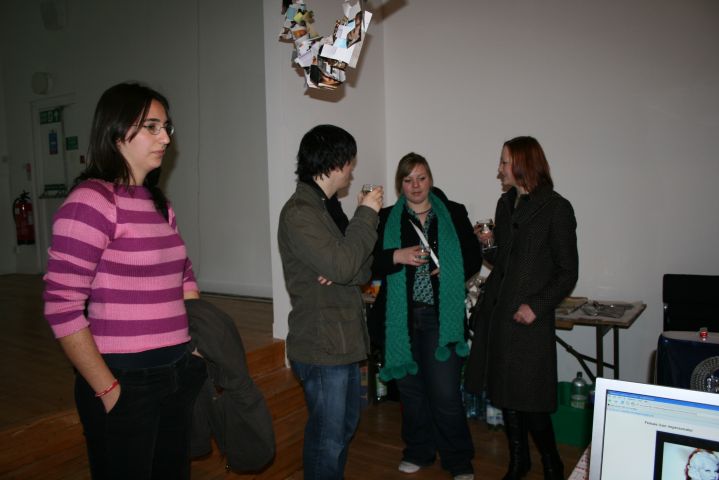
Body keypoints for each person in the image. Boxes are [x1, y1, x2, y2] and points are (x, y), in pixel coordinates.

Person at [43, 83, 206, 479]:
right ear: (116, 133)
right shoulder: (92, 201)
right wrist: (107, 389)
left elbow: (184, 275)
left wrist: (195, 351)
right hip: (125, 379)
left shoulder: (159, 204)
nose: (165, 138)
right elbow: (61, 306)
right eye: (152, 127)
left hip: (177, 370)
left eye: (166, 127)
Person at [465, 136, 578, 480]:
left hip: (529, 321)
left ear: (522, 164)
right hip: (499, 316)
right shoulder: (505, 204)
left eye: (504, 162)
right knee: (505, 394)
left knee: (531, 401)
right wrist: (488, 245)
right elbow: (503, 262)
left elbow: (567, 272)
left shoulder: (556, 208)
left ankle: (552, 463)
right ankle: (519, 462)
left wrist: (536, 306)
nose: (499, 169)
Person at [277, 124, 383, 480]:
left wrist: (341, 266)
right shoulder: (300, 212)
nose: (352, 171)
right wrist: (367, 214)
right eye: (350, 162)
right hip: (321, 344)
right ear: (335, 162)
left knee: (342, 428)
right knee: (329, 438)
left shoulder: (328, 209)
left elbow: (360, 268)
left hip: (342, 340)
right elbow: (346, 264)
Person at [369, 152, 482, 480]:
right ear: (400, 185)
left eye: (421, 178)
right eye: (408, 180)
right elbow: (369, 262)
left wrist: (452, 269)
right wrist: (397, 255)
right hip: (399, 320)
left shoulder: (454, 212)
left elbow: (473, 257)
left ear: (430, 179)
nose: (415, 185)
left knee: (445, 393)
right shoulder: (386, 218)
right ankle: (418, 451)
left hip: (440, 318)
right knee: (411, 393)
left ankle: (458, 459)